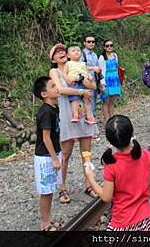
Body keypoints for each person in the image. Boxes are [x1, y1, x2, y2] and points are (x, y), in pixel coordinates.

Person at [84, 115, 150, 230]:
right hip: (146, 219)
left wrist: (90, 177)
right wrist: (144, 170)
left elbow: (106, 197)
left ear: (110, 141)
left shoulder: (111, 165)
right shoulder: (144, 154)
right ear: (132, 133)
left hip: (123, 222)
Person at [49, 44, 99, 202]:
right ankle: (62, 188)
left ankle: (89, 184)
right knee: (66, 153)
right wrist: (80, 91)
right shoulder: (55, 71)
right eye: (57, 52)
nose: (61, 53)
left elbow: (93, 86)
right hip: (68, 115)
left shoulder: (80, 66)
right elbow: (61, 90)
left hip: (84, 115)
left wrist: (81, 79)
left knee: (86, 153)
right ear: (53, 59)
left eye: (63, 50)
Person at [32, 76, 62, 231]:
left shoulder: (54, 108)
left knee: (50, 190)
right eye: (52, 86)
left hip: (53, 153)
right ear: (44, 94)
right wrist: (55, 158)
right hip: (46, 156)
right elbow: (45, 137)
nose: (56, 87)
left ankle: (48, 219)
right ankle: (44, 223)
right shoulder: (45, 112)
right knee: (46, 191)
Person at [62, 45, 96, 124]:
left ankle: (89, 116)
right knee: (75, 99)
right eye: (73, 51)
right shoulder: (68, 63)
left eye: (78, 50)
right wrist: (67, 79)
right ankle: (75, 115)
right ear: (68, 55)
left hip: (85, 83)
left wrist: (90, 77)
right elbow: (64, 73)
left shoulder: (83, 64)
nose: (76, 52)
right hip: (74, 83)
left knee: (87, 100)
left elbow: (86, 73)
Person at [98, 40, 121, 121]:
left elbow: (117, 67)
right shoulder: (102, 57)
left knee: (112, 101)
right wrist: (102, 84)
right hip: (107, 79)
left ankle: (112, 119)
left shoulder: (115, 56)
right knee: (106, 101)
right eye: (107, 46)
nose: (109, 47)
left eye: (111, 45)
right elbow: (101, 71)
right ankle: (107, 120)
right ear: (104, 47)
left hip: (115, 80)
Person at [82, 34, 102, 116]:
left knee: (93, 103)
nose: (91, 43)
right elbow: (79, 67)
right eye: (89, 41)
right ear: (84, 43)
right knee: (86, 104)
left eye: (93, 41)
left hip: (94, 82)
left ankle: (92, 123)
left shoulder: (95, 55)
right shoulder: (81, 54)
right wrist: (93, 68)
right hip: (85, 83)